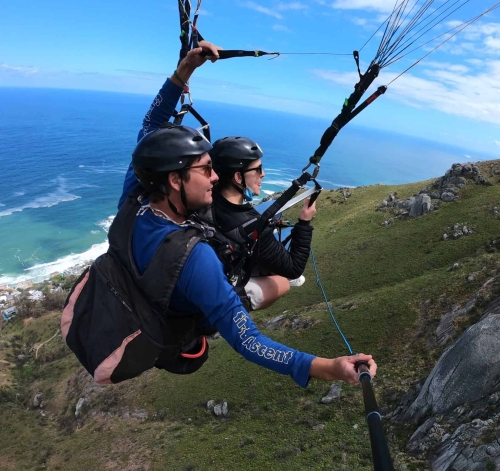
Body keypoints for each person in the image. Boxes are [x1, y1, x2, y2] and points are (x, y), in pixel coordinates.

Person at [118, 40, 375, 386]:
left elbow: (152, 122)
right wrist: (328, 367)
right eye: (205, 170)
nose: (214, 177)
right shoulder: (194, 260)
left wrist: (186, 69)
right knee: (283, 283)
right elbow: (249, 341)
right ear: (175, 179)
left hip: (129, 288)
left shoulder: (134, 194)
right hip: (172, 309)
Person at [207, 136, 314, 311]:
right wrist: (304, 222)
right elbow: (295, 268)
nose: (262, 174)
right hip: (220, 286)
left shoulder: (204, 200)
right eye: (258, 169)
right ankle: (233, 306)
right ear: (238, 177)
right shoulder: (250, 224)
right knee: (284, 281)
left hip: (215, 263)